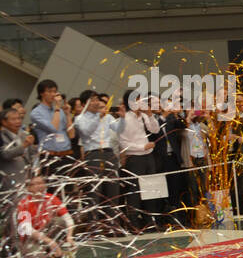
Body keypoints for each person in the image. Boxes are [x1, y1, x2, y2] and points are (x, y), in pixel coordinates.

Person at [74, 90, 124, 224]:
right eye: (93, 100)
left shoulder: (108, 117)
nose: (96, 102)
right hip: (93, 154)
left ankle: (113, 224)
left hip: (109, 153)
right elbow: (86, 131)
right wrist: (98, 117)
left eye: (97, 99)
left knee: (113, 189)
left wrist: (123, 117)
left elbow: (119, 129)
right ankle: (94, 226)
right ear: (85, 104)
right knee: (94, 191)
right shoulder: (80, 118)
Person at [116, 92, 161, 231]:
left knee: (150, 190)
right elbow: (123, 143)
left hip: (148, 156)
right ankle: (133, 224)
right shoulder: (125, 119)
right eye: (137, 99)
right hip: (134, 158)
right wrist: (142, 146)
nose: (140, 102)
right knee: (134, 191)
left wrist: (150, 114)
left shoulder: (143, 116)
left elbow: (155, 129)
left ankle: (151, 221)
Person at [15, 173, 74, 258]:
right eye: (36, 184)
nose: (39, 186)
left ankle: (54, 248)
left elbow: (68, 219)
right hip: (31, 239)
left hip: (47, 233)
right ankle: (50, 249)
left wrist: (69, 236)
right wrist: (49, 241)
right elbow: (27, 229)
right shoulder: (23, 204)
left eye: (41, 183)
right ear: (29, 188)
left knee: (60, 221)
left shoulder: (51, 198)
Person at [28, 79, 77, 179]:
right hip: (49, 156)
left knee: (67, 189)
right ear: (41, 93)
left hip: (66, 154)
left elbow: (72, 134)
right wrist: (58, 107)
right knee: (52, 187)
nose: (53, 94)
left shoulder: (60, 111)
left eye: (55, 91)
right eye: (49, 91)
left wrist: (67, 114)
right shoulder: (36, 113)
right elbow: (53, 128)